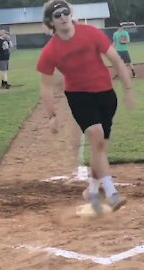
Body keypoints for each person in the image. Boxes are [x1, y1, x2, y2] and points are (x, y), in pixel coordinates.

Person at [37, 0, 135, 215]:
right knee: (96, 135)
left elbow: (116, 59)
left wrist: (127, 89)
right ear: (51, 22)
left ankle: (92, 189)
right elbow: (45, 85)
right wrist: (51, 115)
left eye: (65, 12)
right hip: (79, 96)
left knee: (99, 147)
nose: (63, 17)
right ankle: (111, 193)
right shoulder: (50, 51)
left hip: (106, 94)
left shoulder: (91, 33)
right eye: (57, 15)